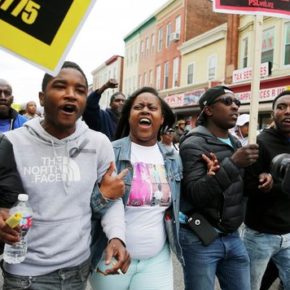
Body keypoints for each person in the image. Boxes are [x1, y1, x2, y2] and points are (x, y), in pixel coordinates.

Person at [0, 61, 130, 290]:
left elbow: (113, 198)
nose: (71, 95)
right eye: (60, 87)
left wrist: (117, 237)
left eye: (80, 90)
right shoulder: (11, 142)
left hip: (77, 272)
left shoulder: (98, 143)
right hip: (25, 277)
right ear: (42, 97)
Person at [90, 87, 184, 290]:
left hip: (157, 260)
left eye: (152, 108)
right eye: (138, 107)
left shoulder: (172, 158)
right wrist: (104, 195)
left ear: (161, 119)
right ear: (129, 116)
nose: (145, 111)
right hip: (112, 257)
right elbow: (90, 208)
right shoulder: (109, 152)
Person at [178, 85, 266, 290]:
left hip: (233, 236)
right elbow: (196, 194)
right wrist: (234, 163)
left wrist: (262, 178)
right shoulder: (193, 144)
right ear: (208, 110)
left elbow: (240, 190)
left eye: (237, 103)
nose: (235, 107)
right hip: (200, 236)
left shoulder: (236, 143)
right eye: (227, 102)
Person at [243, 90, 290, 290]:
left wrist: (277, 183)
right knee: (251, 286)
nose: (287, 112)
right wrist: (262, 184)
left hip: (288, 234)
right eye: (281, 107)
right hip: (260, 235)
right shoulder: (259, 142)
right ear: (273, 114)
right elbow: (247, 185)